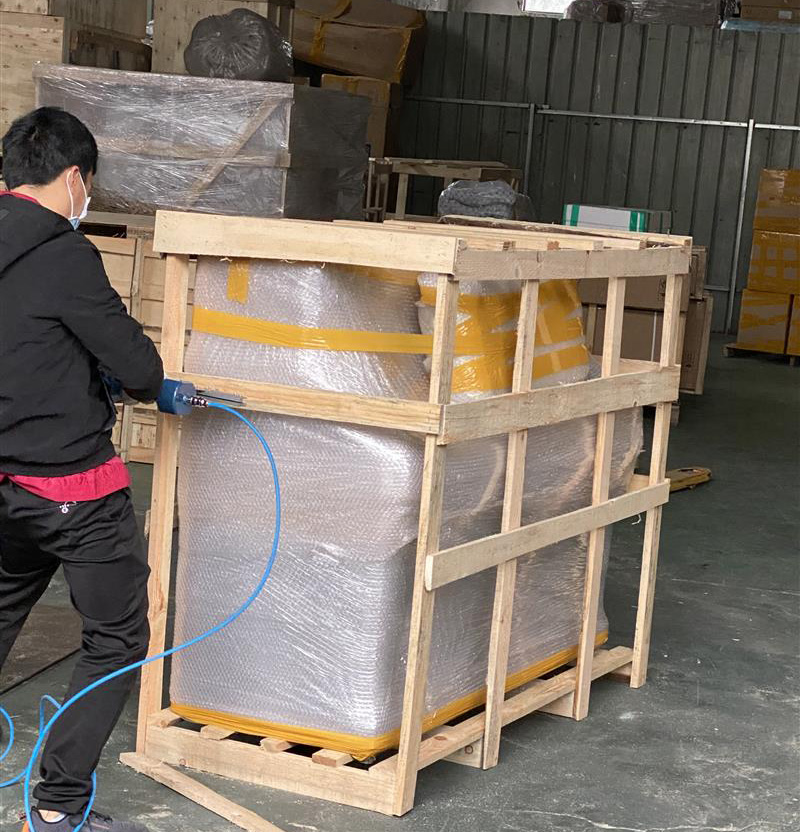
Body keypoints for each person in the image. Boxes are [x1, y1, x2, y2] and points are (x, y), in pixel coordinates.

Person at [0, 107, 163, 832]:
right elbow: (140, 369)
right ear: (74, 177)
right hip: (69, 488)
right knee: (117, 637)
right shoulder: (64, 253)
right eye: (87, 185)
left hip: (3, 485)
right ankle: (57, 807)